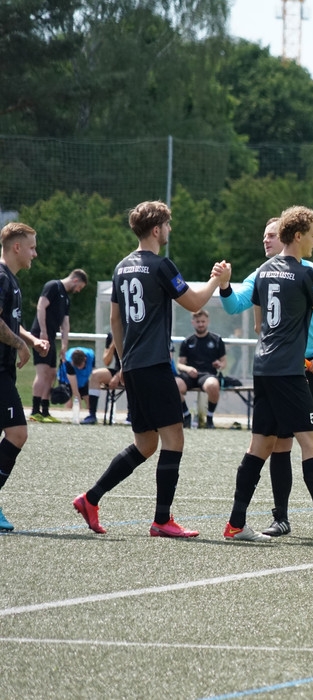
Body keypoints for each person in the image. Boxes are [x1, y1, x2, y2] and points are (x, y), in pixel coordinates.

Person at [72, 200, 223, 537]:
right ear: (156, 229)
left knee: (145, 443)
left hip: (135, 366)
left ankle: (90, 498)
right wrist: (216, 280)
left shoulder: (121, 267)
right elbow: (194, 302)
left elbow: (115, 320)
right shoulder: (161, 265)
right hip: (154, 364)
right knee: (174, 438)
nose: (169, 230)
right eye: (167, 225)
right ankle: (162, 520)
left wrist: (124, 362)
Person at [219, 205, 313, 543]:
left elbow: (248, 313)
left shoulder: (263, 271)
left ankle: (236, 524)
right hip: (289, 371)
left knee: (260, 445)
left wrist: (224, 286)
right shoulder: (305, 274)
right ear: (298, 235)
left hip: (263, 368)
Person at [0, 222, 49, 531]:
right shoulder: (1, 277)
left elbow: (8, 320)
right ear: (16, 247)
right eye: (31, 247)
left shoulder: (11, 279)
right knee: (17, 433)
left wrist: (29, 340)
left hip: (4, 370)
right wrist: (20, 345)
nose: (35, 253)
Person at [29, 268, 87, 422]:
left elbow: (65, 324)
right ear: (75, 280)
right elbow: (41, 306)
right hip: (41, 335)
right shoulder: (53, 286)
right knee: (42, 372)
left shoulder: (66, 298)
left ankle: (45, 410)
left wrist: (64, 345)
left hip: (51, 337)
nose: (78, 290)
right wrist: (43, 331)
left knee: (52, 373)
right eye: (80, 287)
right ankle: (35, 410)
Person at [177, 309, 226, 429]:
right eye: (198, 321)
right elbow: (180, 364)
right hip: (190, 375)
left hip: (207, 375)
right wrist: (188, 369)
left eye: (203, 321)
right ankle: (186, 415)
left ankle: (209, 418)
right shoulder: (187, 341)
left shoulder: (216, 340)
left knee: (213, 385)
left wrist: (219, 364)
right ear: (193, 322)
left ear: (208, 321)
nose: (200, 324)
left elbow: (224, 362)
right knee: (174, 385)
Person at [83, 333, 122, 425]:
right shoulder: (112, 335)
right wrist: (113, 344)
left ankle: (131, 416)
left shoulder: (132, 331)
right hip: (118, 370)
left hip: (133, 369)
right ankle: (92, 415)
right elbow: (106, 361)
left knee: (134, 374)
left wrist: (118, 376)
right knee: (95, 375)